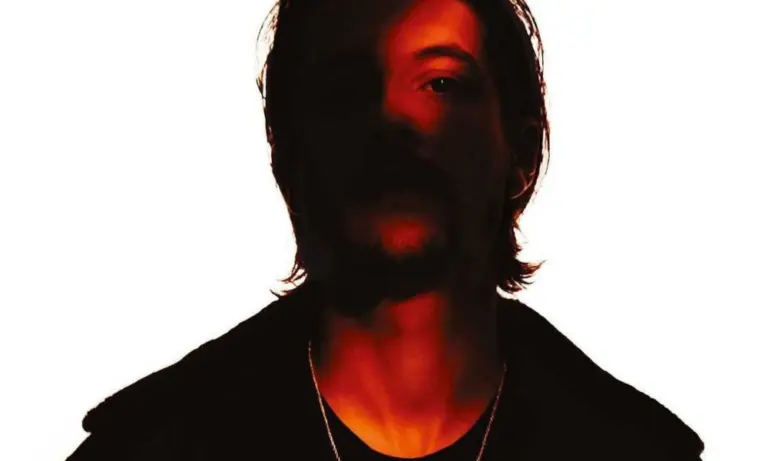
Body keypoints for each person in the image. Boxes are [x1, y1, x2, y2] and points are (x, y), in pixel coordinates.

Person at [67, 0, 705, 459]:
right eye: (347, 90)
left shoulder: (628, 448)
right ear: (289, 153)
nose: (393, 121)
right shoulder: (154, 445)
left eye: (441, 83)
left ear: (521, 150)